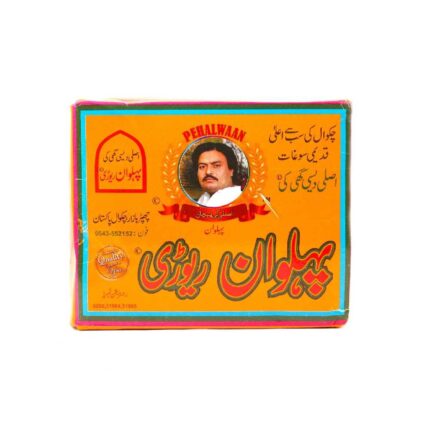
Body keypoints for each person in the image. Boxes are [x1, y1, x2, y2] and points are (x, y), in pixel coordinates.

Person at [191, 142, 243, 207]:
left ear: (231, 171)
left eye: (216, 165)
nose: (208, 172)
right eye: (202, 166)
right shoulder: (203, 199)